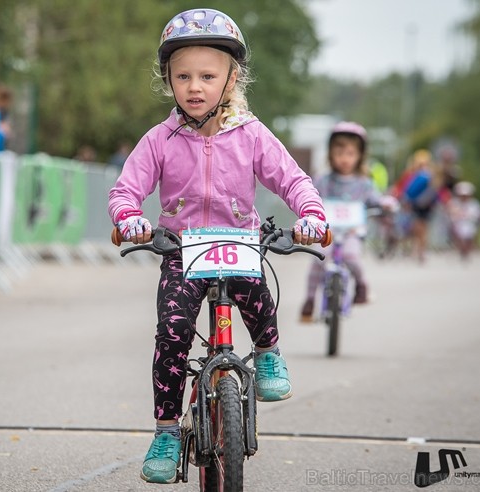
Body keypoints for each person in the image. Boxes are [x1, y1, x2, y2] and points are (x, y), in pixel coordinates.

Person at [107, 9, 328, 484]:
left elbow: (293, 180)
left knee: (256, 293)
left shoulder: (251, 135)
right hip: (182, 249)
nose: (195, 86)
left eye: (208, 75)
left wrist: (310, 216)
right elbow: (125, 190)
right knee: (172, 331)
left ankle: (268, 351)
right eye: (182, 75)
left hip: (238, 242)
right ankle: (166, 431)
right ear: (167, 79)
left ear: (231, 79)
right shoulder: (159, 139)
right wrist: (131, 220)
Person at [299, 122, 393, 321]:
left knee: (352, 257)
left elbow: (376, 199)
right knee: (319, 257)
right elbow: (309, 196)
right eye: (339, 153)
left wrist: (386, 203)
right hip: (327, 232)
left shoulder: (364, 183)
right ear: (331, 154)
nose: (345, 159)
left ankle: (361, 285)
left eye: (350, 154)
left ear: (359, 156)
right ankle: (309, 299)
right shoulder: (323, 180)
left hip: (352, 231)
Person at [394, 149, 442, 263]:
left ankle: (420, 251)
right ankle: (418, 251)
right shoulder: (414, 175)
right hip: (418, 205)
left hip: (423, 205)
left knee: (421, 229)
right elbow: (403, 188)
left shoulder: (427, 175)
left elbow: (436, 191)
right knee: (418, 229)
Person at [447, 181, 480, 261]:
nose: (464, 197)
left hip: (470, 224)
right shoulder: (454, 202)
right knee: (458, 233)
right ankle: (461, 249)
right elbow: (451, 213)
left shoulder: (474, 204)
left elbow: (478, 214)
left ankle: (467, 250)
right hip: (458, 224)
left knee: (470, 234)